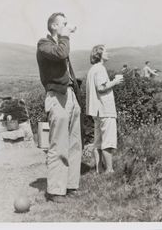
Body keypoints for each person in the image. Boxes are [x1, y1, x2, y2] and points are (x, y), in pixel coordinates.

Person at [36, 12, 82, 203]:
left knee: (74, 143)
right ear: (54, 26)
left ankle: (70, 185)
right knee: (58, 144)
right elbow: (61, 54)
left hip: (70, 95)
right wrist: (66, 35)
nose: (68, 25)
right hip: (57, 96)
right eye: (64, 23)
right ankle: (55, 189)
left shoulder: (60, 44)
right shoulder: (44, 44)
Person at [86, 45, 123, 174]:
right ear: (100, 54)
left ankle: (98, 169)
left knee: (98, 141)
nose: (108, 53)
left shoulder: (92, 70)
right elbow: (101, 88)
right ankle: (109, 170)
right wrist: (115, 81)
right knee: (108, 140)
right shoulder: (100, 69)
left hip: (96, 110)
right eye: (106, 51)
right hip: (105, 109)